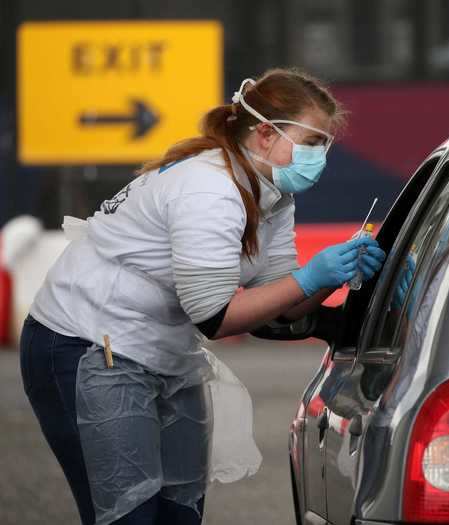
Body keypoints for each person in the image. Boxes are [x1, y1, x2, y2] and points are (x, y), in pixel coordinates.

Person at [19, 68, 386, 525]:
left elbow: (279, 306)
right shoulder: (210, 189)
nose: (321, 157)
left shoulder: (271, 193)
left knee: (180, 512)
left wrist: (335, 276)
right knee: (129, 516)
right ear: (265, 135)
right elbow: (214, 317)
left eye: (326, 145)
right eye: (312, 142)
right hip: (86, 344)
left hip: (160, 350)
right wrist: (313, 276)